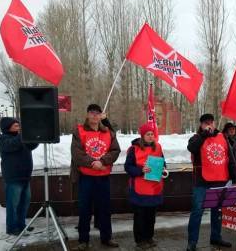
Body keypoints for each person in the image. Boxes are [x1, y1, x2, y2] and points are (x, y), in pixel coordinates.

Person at [70, 104, 121, 250]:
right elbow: (76, 153)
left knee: (104, 209)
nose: (94, 115)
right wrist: (93, 163)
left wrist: (103, 161)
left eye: (97, 113)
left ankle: (106, 238)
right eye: (91, 113)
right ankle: (83, 240)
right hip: (86, 177)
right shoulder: (79, 130)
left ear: (101, 116)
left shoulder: (108, 132)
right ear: (87, 115)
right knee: (84, 209)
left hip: (103, 177)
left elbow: (115, 150)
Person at [186, 114, 234, 251]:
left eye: (211, 123)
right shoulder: (196, 138)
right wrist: (204, 135)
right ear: (201, 125)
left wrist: (234, 177)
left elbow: (230, 156)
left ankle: (216, 237)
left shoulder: (222, 137)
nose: (209, 125)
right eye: (206, 123)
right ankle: (192, 242)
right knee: (197, 211)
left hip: (219, 180)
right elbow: (192, 148)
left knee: (217, 211)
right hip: (201, 182)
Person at [124, 123, 166, 250]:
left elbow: (164, 163)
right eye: (148, 134)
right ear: (142, 136)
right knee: (140, 216)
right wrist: (141, 170)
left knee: (151, 215)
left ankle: (149, 237)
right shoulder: (133, 149)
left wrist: (163, 169)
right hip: (139, 188)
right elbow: (128, 167)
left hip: (154, 187)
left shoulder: (158, 147)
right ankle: (140, 240)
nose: (151, 136)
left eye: (152, 134)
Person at [0, 117, 38, 235]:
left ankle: (21, 225)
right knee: (13, 205)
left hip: (25, 176)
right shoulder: (4, 139)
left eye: (19, 125)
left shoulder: (21, 138)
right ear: (7, 127)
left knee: (24, 203)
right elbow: (13, 145)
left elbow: (32, 146)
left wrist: (35, 136)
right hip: (13, 178)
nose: (19, 127)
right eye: (16, 126)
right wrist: (23, 135)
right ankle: (12, 228)